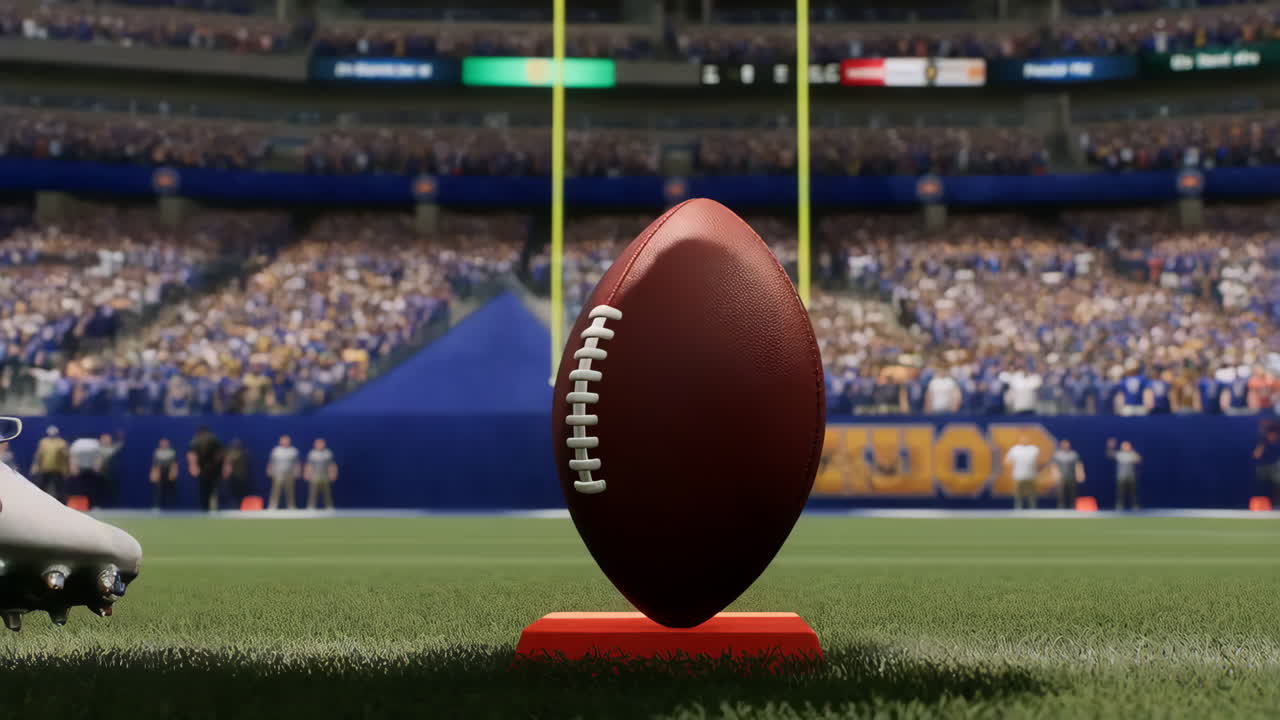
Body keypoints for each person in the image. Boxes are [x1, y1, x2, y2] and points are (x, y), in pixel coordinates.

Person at [187, 426, 223, 512]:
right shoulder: (196, 441)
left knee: (212, 490)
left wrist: (193, 466)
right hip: (205, 470)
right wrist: (193, 466)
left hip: (213, 470)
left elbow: (220, 453)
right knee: (206, 490)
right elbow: (192, 454)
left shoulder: (213, 440)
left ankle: (211, 508)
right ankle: (206, 508)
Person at [31, 426, 70, 502]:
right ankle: (40, 502)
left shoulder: (61, 442)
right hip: (45, 469)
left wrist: (66, 469)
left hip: (58, 470)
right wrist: (35, 466)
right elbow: (39, 455)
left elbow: (66, 457)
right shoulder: (43, 442)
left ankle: (62, 504)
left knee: (59, 489)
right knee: (42, 487)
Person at [1005, 433, 1041, 510]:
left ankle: (1033, 510)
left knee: (1031, 494)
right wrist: (1010, 471)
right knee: (1018, 495)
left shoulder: (1033, 449)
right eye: (1023, 439)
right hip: (1018, 475)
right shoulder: (1015, 449)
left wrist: (1037, 472)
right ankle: (1018, 509)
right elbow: (1007, 461)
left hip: (1031, 475)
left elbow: (1038, 461)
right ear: (1019, 440)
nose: (1024, 440)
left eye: (1026, 438)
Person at [68, 433, 102, 508]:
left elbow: (73, 457)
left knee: (90, 489)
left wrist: (73, 468)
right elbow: (98, 457)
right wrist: (97, 467)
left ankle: (90, 505)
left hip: (88, 469)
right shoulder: (94, 444)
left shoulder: (78, 443)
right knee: (83, 488)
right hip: (83, 469)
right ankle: (84, 505)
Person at [1107, 438, 1142, 511]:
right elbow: (1110, 455)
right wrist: (1110, 446)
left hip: (1131, 477)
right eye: (1124, 446)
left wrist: (1134, 453)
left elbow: (1139, 460)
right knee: (1120, 493)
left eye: (1127, 446)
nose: (1126, 447)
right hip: (1121, 477)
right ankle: (1119, 506)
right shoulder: (1119, 454)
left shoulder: (1132, 454)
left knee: (1133, 493)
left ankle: (1134, 506)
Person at [267, 434, 300, 510]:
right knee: (275, 490)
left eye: (287, 440)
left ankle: (291, 505)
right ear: (280, 441)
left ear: (289, 441)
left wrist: (297, 471)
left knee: (290, 490)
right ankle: (273, 505)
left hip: (289, 474)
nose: (285, 442)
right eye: (283, 440)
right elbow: (271, 461)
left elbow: (297, 463)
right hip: (278, 473)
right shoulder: (276, 450)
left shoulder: (293, 451)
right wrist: (269, 470)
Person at [304, 437, 338, 510]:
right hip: (314, 475)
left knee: (327, 492)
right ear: (315, 444)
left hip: (325, 475)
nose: (320, 445)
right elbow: (309, 465)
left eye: (321, 443)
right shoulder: (312, 453)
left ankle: (329, 506)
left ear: (324, 444)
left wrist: (333, 473)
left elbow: (332, 465)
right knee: (313, 492)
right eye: (318, 443)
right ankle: (311, 506)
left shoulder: (328, 453)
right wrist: (307, 474)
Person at [1051, 438, 1086, 510]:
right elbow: (1054, 466)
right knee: (1061, 493)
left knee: (1072, 493)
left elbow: (1078, 465)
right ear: (1061, 445)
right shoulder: (1057, 455)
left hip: (1071, 477)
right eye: (1064, 444)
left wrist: (1080, 474)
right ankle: (1061, 506)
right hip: (1061, 477)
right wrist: (1055, 475)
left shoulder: (1073, 454)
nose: (1065, 445)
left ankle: (1073, 507)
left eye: (1067, 444)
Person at [1253, 425, 1280, 507]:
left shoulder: (1278, 443)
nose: (1272, 437)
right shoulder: (1262, 443)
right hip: (1263, 468)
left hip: (1275, 468)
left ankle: (1276, 504)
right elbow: (1256, 455)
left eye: (1274, 435)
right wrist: (1262, 446)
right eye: (1270, 435)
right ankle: (1260, 503)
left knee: (1277, 480)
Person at [150, 437, 179, 510]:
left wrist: (173, 473)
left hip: (170, 473)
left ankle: (172, 508)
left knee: (171, 491)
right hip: (160, 473)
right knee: (158, 491)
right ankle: (157, 507)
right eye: (162, 443)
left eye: (165, 443)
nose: (164, 444)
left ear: (168, 444)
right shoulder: (157, 452)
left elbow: (174, 464)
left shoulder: (172, 452)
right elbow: (154, 465)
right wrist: (153, 474)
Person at [222, 438, 251, 509]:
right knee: (234, 494)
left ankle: (237, 506)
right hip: (236, 477)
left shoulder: (242, 454)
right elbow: (227, 466)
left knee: (238, 494)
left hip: (239, 477)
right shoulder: (231, 454)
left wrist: (226, 474)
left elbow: (228, 466)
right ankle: (234, 506)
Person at [97, 433, 122, 508]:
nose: (106, 441)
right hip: (101, 473)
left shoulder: (113, 448)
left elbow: (120, 444)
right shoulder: (97, 449)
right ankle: (99, 505)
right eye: (104, 439)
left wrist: (121, 436)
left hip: (112, 473)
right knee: (100, 489)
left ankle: (114, 505)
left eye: (107, 439)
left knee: (113, 490)